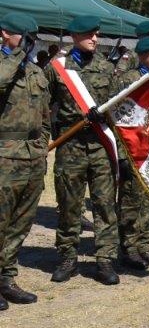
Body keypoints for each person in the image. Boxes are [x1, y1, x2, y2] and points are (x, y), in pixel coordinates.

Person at [46, 15, 120, 285]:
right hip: (70, 146)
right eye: (89, 35)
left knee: (104, 204)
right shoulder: (57, 68)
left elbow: (117, 108)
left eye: (97, 34)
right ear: (75, 36)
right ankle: (68, 257)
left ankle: (105, 260)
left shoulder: (106, 67)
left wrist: (106, 116)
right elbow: (43, 106)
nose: (95, 39)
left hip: (100, 145)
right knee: (69, 205)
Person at [0, 12, 50, 308]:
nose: (30, 43)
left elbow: (45, 117)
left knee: (21, 223)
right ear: (5, 33)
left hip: (32, 156)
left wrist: (42, 146)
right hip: (5, 156)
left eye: (32, 38)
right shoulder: (5, 65)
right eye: (25, 36)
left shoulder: (35, 71)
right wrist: (16, 54)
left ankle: (6, 279)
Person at [116, 37, 149, 270]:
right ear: (143, 54)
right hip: (133, 149)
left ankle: (144, 245)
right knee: (130, 202)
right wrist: (121, 154)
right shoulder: (129, 79)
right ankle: (129, 248)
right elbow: (117, 117)